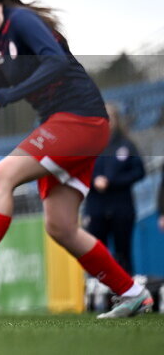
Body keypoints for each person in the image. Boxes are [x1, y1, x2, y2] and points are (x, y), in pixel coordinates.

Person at [0, 0, 154, 318]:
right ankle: (132, 292)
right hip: (68, 124)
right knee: (61, 227)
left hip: (80, 119)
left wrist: (13, 93)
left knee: (1, 175)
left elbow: (56, 61)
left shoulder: (22, 21)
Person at [84, 103, 145, 274]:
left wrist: (113, 181)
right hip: (96, 209)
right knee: (97, 254)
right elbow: (78, 172)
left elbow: (139, 171)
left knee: (123, 254)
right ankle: (100, 295)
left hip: (121, 208)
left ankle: (129, 294)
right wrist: (94, 181)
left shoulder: (127, 145)